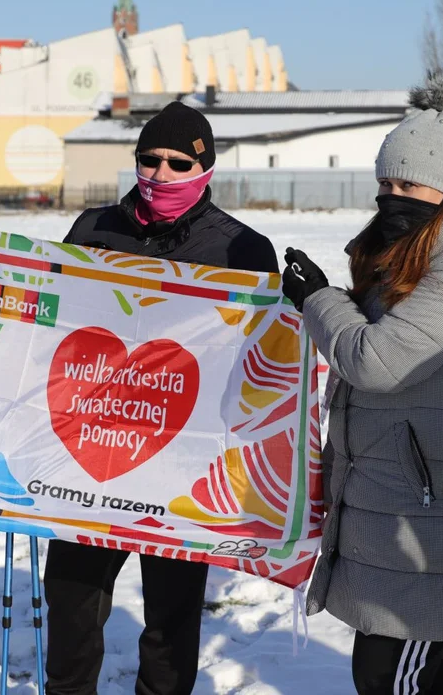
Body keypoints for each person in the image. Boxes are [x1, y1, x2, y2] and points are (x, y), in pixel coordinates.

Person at [281, 71, 443, 694]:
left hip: (442, 522)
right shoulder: (414, 249)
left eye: (407, 184)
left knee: (392, 677)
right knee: (421, 677)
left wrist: (319, 302)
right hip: (415, 503)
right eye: (384, 183)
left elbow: (377, 361)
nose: (391, 197)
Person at [45, 101, 279, 695]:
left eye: (178, 162)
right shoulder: (94, 227)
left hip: (181, 460)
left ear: (204, 169)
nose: (161, 173)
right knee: (72, 607)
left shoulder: (242, 249)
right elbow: (50, 325)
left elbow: (259, 360)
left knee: (171, 620)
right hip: (91, 448)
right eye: (149, 160)